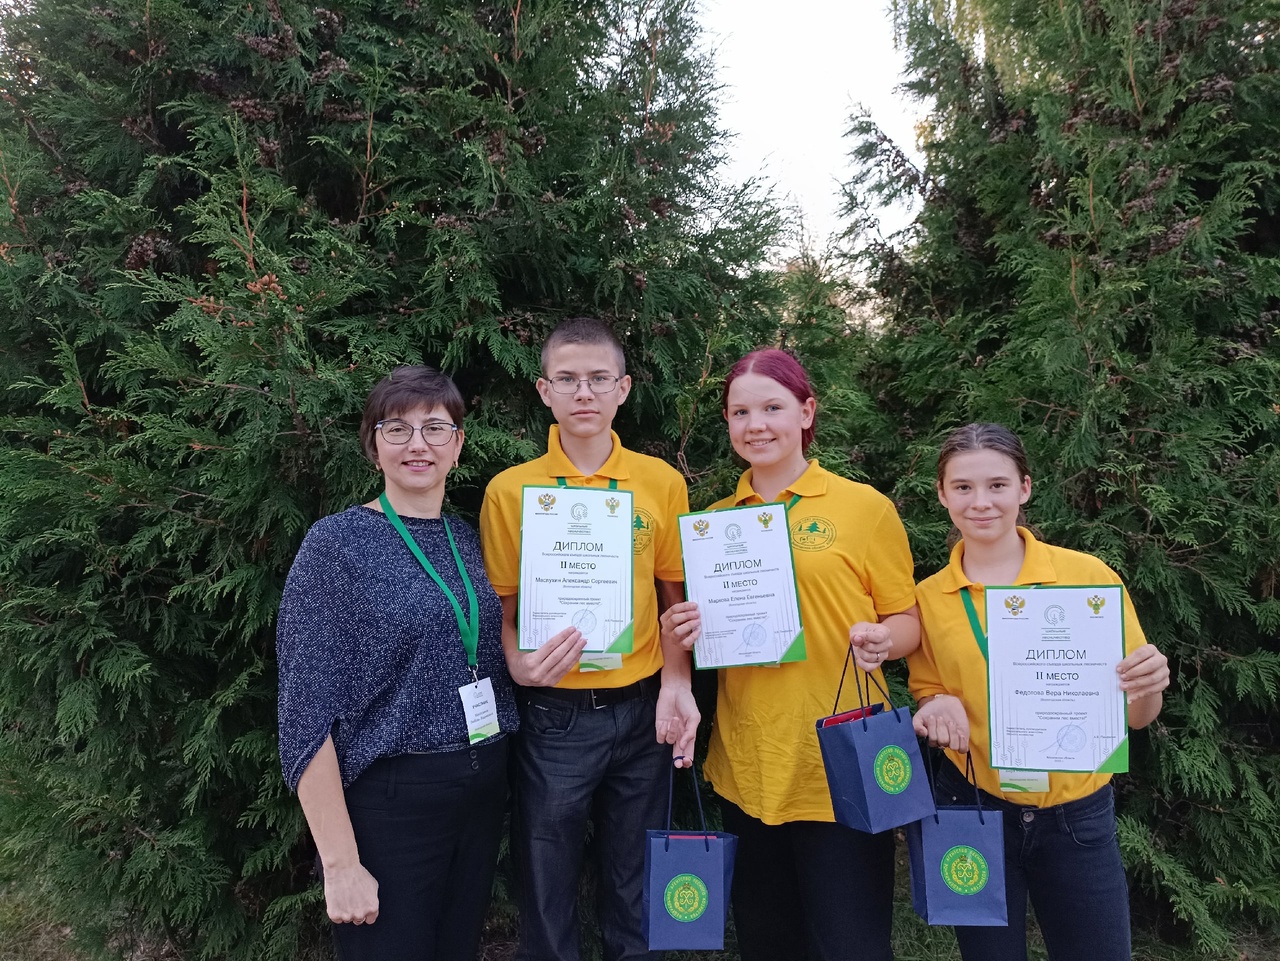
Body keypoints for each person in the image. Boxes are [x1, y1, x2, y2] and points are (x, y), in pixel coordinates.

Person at [659, 348, 920, 961]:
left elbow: (908, 621)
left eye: (772, 408)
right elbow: (704, 637)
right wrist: (684, 629)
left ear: (806, 412)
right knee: (768, 941)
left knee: (852, 945)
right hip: (751, 763)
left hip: (846, 763)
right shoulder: (713, 525)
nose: (756, 425)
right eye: (740, 412)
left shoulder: (864, 508)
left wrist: (886, 640)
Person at [276, 365, 518, 961]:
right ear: (373, 445)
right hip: (393, 805)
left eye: (435, 428)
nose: (418, 444)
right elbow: (305, 714)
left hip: (481, 791)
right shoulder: (336, 545)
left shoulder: (468, 539)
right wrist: (340, 863)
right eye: (397, 429)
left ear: (457, 445)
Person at [478, 317, 698, 961]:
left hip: (642, 711)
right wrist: (517, 664)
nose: (584, 392)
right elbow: (501, 607)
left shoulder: (661, 483)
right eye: (568, 379)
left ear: (623, 389)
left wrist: (677, 683)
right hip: (555, 717)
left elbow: (673, 598)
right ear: (544, 390)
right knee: (546, 880)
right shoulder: (511, 491)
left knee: (637, 879)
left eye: (599, 379)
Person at [908, 422, 1170, 961]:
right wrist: (935, 706)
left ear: (1024, 488)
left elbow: (1138, 716)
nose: (981, 502)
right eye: (963, 487)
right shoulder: (929, 599)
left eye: (997, 485)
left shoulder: (1088, 578)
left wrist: (1149, 684)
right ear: (942, 495)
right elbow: (929, 692)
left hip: (1076, 815)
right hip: (974, 806)